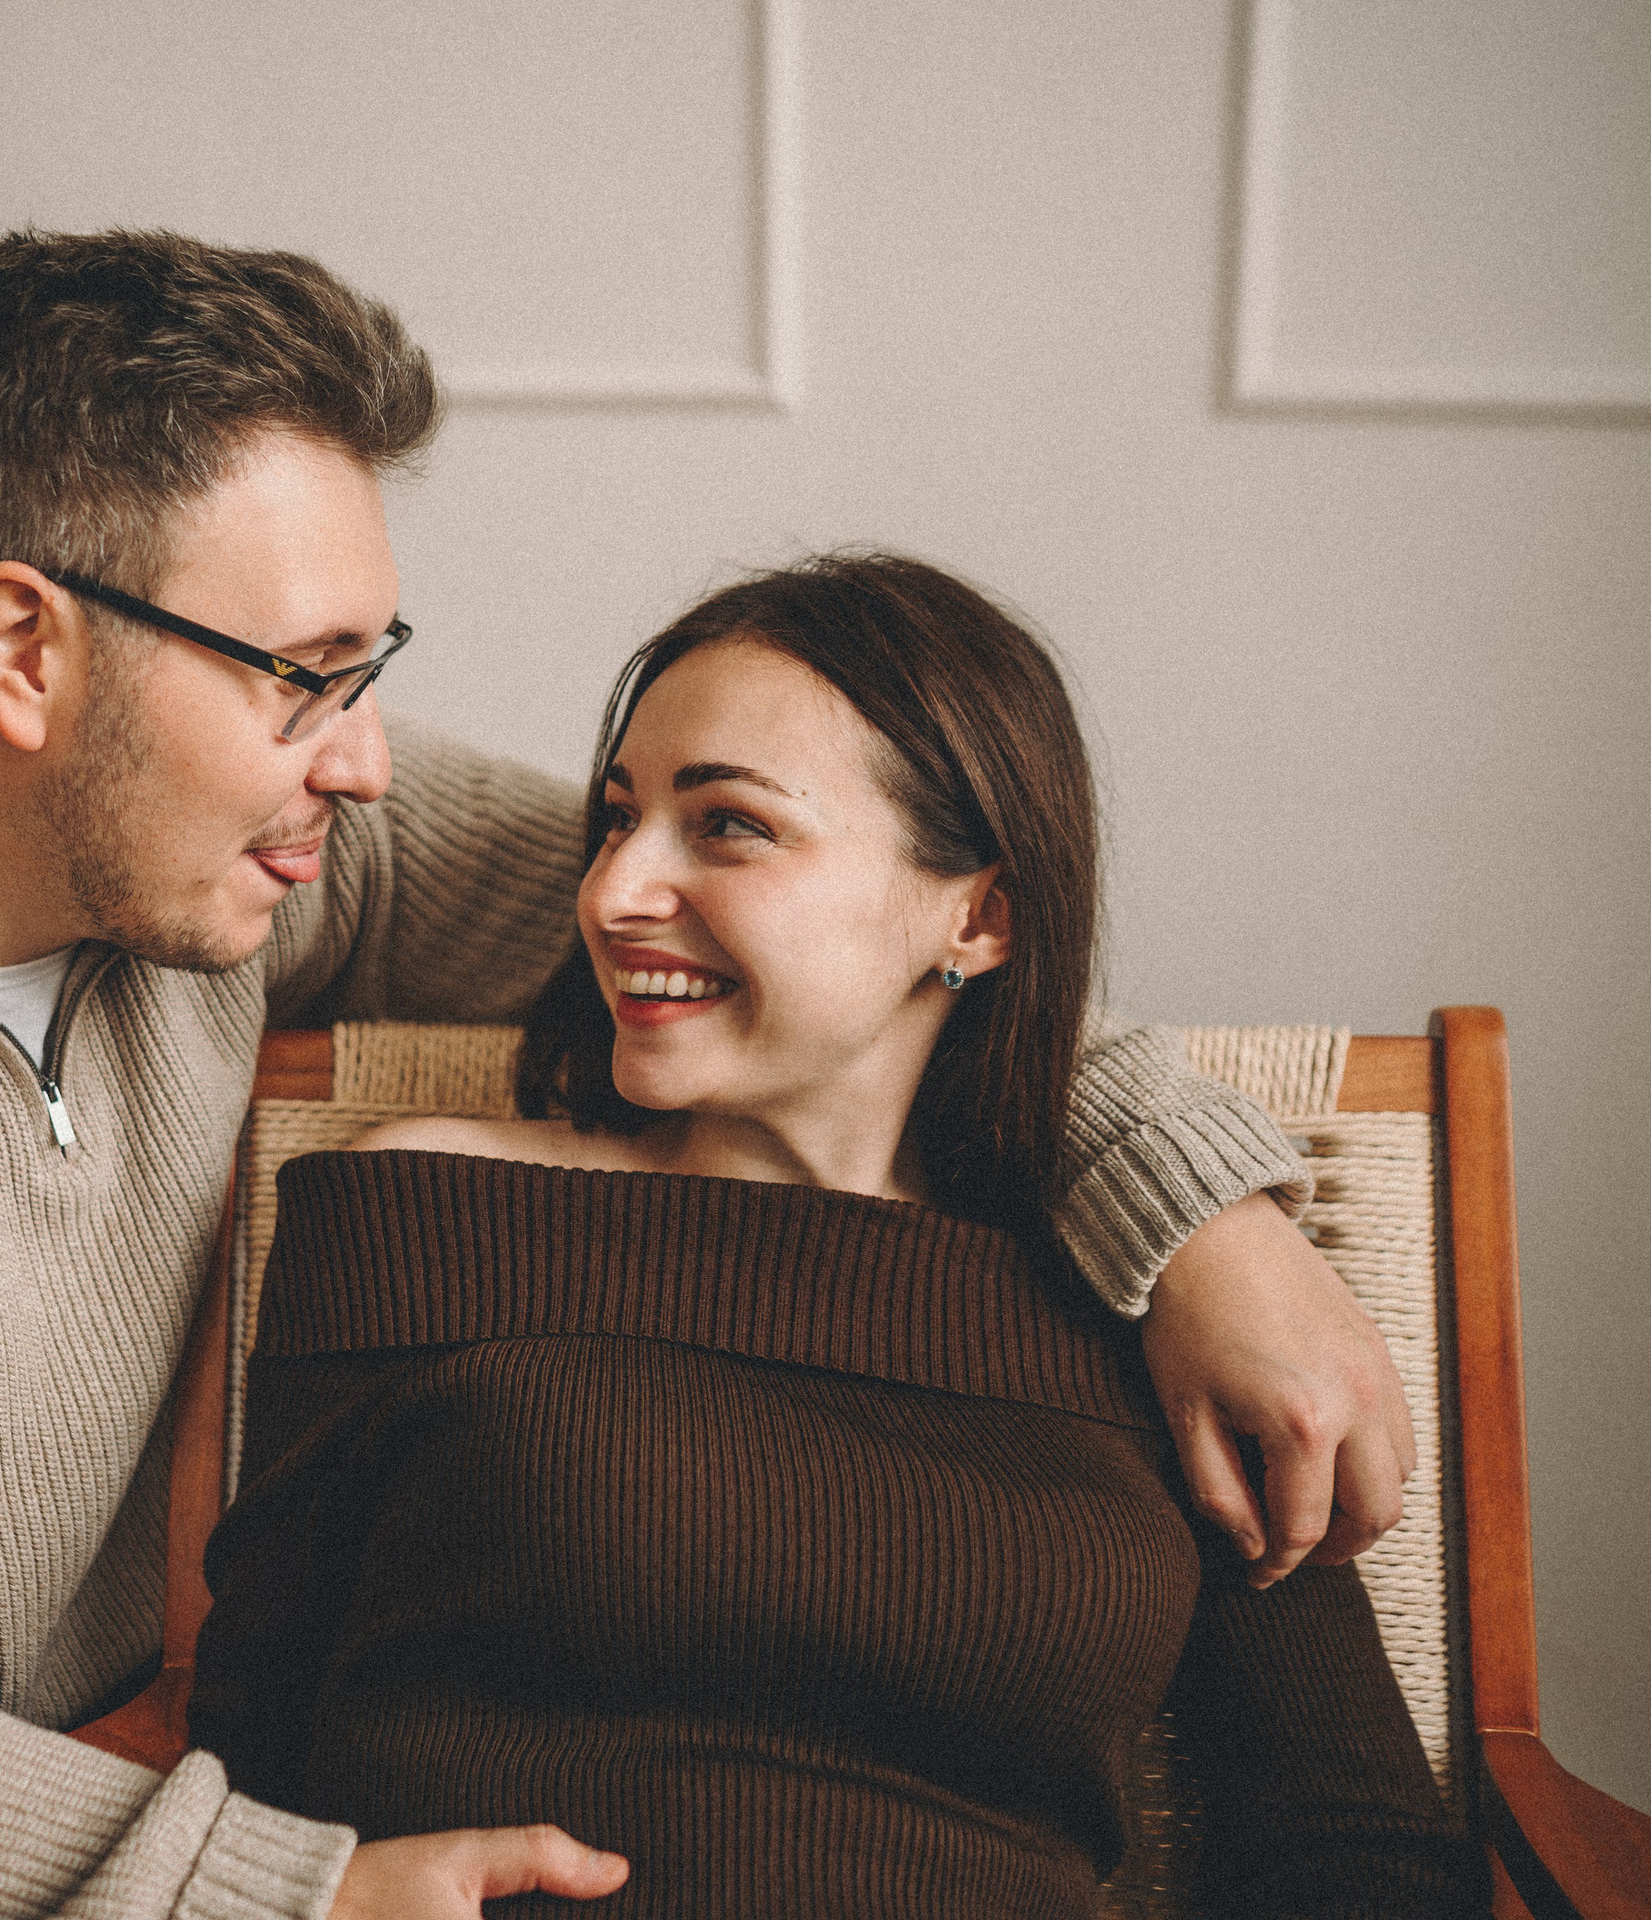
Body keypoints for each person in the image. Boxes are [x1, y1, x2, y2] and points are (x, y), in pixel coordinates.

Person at [0, 231, 1415, 1919]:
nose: (367, 760)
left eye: (371, 672)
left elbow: (846, 959)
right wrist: (272, 1890)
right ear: (25, 651)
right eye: (305, 678)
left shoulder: (230, 854)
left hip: (112, 1781)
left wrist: (1201, 1219)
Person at [189, 553, 1485, 1917]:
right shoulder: (428, 1212)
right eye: (617, 820)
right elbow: (251, 1761)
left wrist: (1216, 1233)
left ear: (976, 915)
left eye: (729, 826)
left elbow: (1356, 1844)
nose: (613, 895)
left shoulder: (1158, 1308)